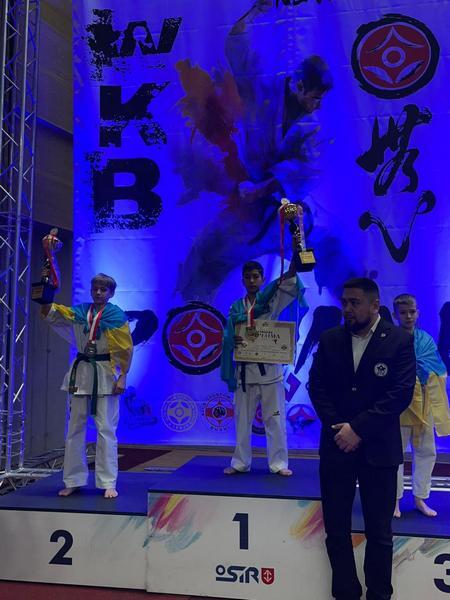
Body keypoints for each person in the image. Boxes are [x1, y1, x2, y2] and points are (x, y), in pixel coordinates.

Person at [308, 278, 415, 600]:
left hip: (379, 450)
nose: (347, 309)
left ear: (375, 305)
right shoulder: (330, 339)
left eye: (354, 303)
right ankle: (345, 594)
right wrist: (339, 430)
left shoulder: (399, 340)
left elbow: (400, 394)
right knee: (336, 530)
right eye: (344, 302)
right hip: (336, 446)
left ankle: (379, 595)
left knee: (379, 532)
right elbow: (317, 388)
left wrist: (358, 429)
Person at [41, 273, 133, 499]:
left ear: (111, 293)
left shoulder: (116, 316)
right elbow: (52, 314)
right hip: (81, 372)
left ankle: (108, 482)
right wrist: (44, 295)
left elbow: (125, 349)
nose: (98, 292)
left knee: (106, 429)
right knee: (74, 428)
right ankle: (73, 479)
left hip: (106, 373)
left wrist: (123, 376)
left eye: (103, 289)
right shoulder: (80, 312)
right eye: (95, 288)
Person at [221, 235, 306, 476]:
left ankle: (279, 464)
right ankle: (240, 462)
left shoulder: (271, 301)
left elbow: (288, 282)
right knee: (242, 421)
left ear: (262, 279)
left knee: (275, 419)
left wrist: (295, 259)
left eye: (256, 276)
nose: (252, 280)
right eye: (248, 277)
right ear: (243, 280)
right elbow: (228, 334)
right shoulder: (236, 307)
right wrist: (233, 339)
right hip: (244, 371)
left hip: (270, 370)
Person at [392, 293, 450, 518]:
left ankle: (420, 498)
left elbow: (438, 368)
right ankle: (394, 500)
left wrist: (422, 373)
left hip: (424, 402)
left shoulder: (426, 339)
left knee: (426, 451)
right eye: (403, 313)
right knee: (395, 454)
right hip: (399, 406)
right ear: (395, 315)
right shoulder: (390, 339)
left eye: (412, 312)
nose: (408, 316)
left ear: (418, 313)